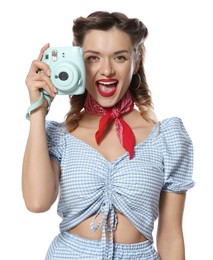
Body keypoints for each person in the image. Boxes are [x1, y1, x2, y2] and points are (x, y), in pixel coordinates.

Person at [22, 11, 195, 260]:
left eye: (120, 57)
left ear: (136, 61)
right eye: (93, 58)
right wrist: (38, 110)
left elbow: (170, 236)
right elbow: (37, 202)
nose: (107, 70)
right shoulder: (60, 136)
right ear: (80, 62)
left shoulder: (166, 139)